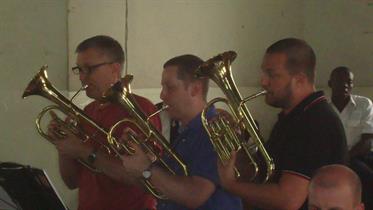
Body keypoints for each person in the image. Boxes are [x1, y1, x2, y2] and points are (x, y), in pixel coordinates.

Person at [217, 38, 347, 210]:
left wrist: (231, 185)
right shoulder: (292, 116)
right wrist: (237, 145)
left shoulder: (315, 121)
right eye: (264, 73)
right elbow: (261, 176)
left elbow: (288, 200)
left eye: (272, 74)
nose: (263, 81)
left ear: (299, 80)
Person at [47, 35, 160, 210]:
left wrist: (83, 150)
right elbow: (72, 182)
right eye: (79, 69)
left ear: (115, 69)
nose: (82, 77)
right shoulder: (85, 113)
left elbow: (139, 177)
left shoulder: (140, 109)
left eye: (89, 69)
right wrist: (64, 148)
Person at [120, 54, 243, 210]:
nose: (161, 95)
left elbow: (195, 195)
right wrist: (145, 157)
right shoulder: (184, 131)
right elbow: (169, 185)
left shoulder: (215, 130)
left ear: (195, 89)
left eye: (170, 87)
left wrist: (147, 169)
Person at [328, 66, 373, 209]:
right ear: (330, 83)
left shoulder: (364, 104)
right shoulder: (323, 108)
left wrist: (345, 158)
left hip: (357, 155)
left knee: (368, 178)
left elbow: (367, 141)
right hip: (329, 157)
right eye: (340, 80)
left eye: (349, 81)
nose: (346, 85)